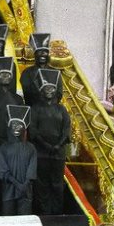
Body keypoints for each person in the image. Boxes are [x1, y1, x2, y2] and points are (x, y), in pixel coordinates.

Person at [30, 70, 71, 214]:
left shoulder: (61, 109)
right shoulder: (35, 109)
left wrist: (58, 145)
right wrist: (46, 145)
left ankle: (57, 211)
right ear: (42, 90)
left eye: (52, 88)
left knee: (57, 184)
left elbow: (66, 129)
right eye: (46, 88)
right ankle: (44, 212)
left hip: (58, 154)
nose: (49, 91)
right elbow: (33, 130)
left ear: (56, 91)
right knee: (42, 184)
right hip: (41, 153)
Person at [0, 105, 37, 215]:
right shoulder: (3, 148)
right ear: (9, 126)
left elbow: (31, 171)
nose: (16, 127)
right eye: (13, 124)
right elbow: (3, 172)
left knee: (24, 222)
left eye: (19, 124)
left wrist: (25, 185)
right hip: (9, 193)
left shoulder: (31, 148)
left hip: (26, 193)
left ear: (24, 127)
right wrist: (18, 185)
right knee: (8, 223)